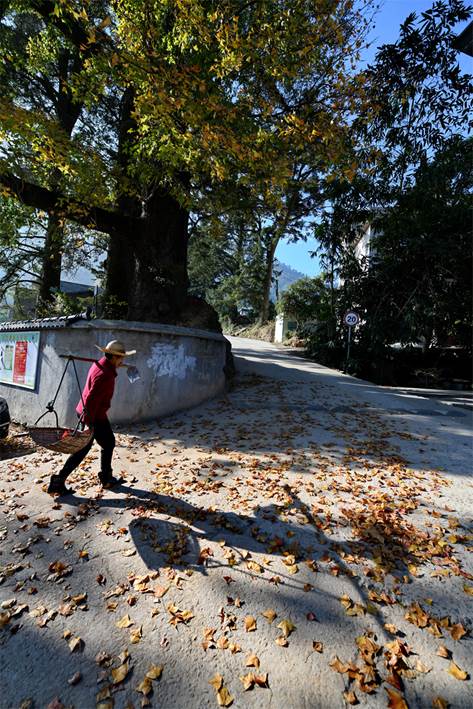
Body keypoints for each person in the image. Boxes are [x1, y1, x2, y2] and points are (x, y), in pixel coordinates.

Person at [47, 340, 136, 496]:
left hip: (89, 412)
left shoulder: (100, 364)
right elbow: (92, 399)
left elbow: (95, 390)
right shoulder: (105, 375)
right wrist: (88, 423)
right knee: (85, 449)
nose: (123, 361)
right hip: (92, 415)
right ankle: (59, 481)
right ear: (114, 357)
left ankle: (105, 477)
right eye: (121, 357)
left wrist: (117, 367)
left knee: (108, 443)